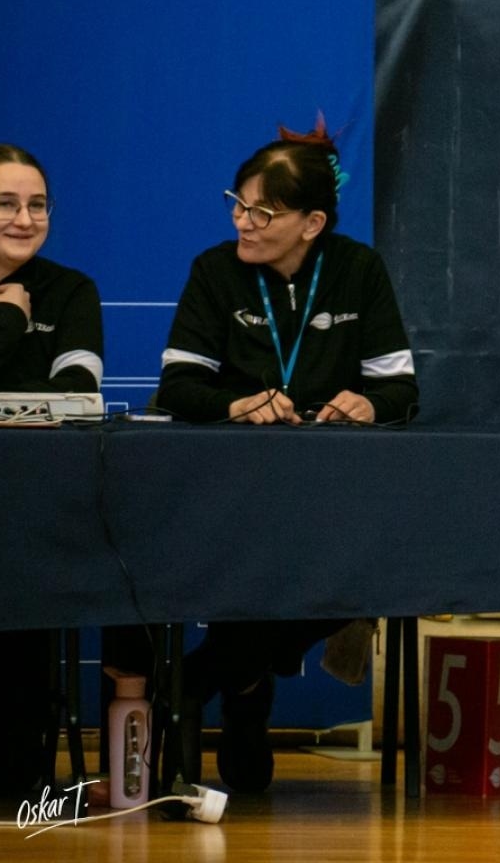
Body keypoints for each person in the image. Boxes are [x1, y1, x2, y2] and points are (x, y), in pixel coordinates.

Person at [152, 126, 419, 792]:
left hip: (334, 495)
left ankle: (213, 677)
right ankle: (241, 691)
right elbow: (178, 387)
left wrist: (368, 405)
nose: (242, 222)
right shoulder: (215, 271)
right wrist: (237, 404)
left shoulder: (358, 269)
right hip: (233, 493)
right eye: (237, 205)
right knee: (249, 562)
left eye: (262, 213)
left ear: (312, 224)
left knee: (358, 573)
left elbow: (401, 391)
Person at [0, 144, 104, 805]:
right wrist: (7, 319)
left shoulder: (70, 290)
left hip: (34, 509)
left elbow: (76, 395)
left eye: (37, 204)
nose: (25, 219)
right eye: (6, 204)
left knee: (24, 580)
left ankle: (20, 765)